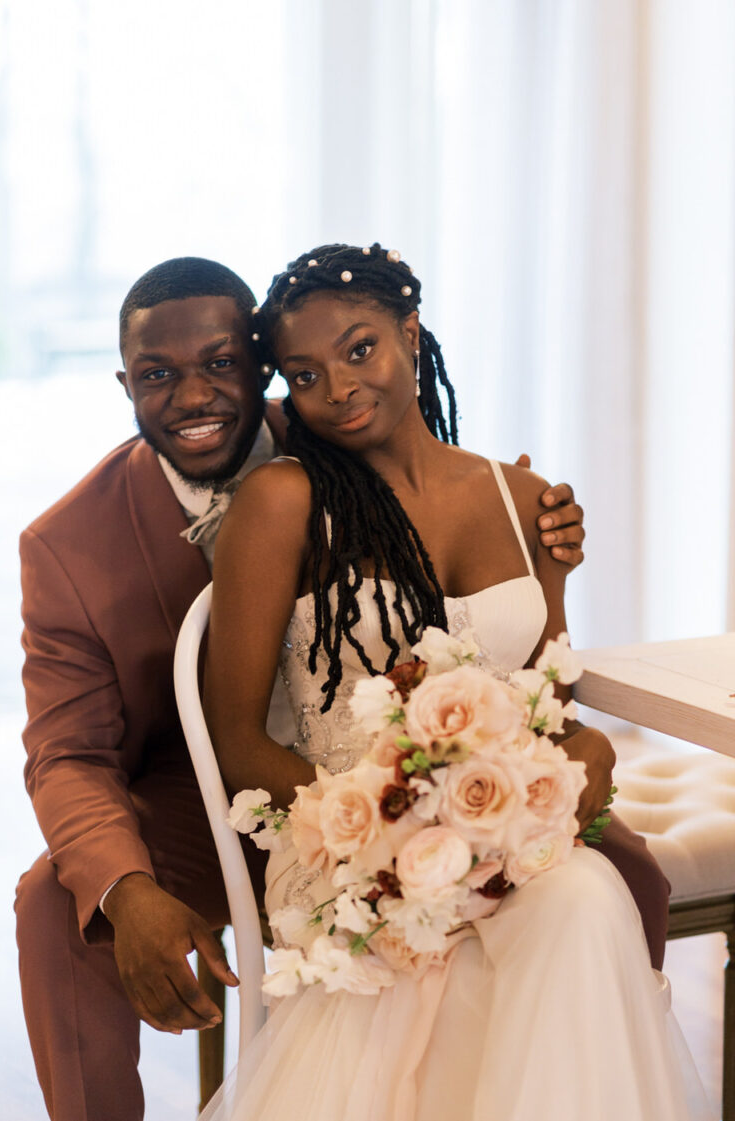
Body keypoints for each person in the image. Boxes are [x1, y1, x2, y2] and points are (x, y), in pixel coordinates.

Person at [13, 257, 650, 1121]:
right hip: (206, 795)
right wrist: (127, 889)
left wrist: (541, 535)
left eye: (220, 364)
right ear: (125, 382)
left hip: (442, 775)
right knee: (60, 901)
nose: (195, 395)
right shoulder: (68, 544)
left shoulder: (336, 420)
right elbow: (67, 752)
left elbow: (442, 495)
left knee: (622, 878)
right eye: (159, 376)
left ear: (254, 361)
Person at [200, 243, 701, 1120]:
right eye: (305, 374)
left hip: (514, 828)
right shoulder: (282, 503)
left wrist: (576, 761)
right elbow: (236, 739)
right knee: (490, 952)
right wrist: (394, 823)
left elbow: (553, 696)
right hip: (348, 845)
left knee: (585, 899)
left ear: (410, 329)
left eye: (361, 349)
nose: (340, 388)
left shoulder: (525, 497)